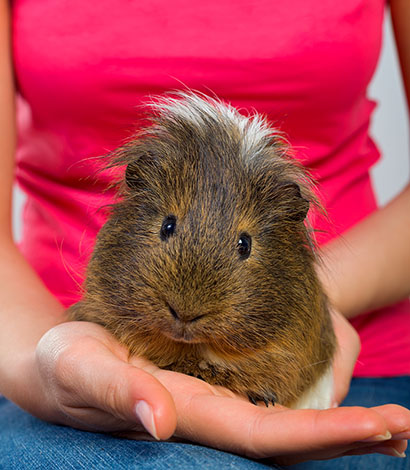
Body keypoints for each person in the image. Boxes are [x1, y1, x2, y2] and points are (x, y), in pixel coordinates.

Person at [1, 0, 410, 468]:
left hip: (370, 367)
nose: (188, 304)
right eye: (168, 227)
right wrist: (43, 364)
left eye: (243, 246)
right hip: (56, 350)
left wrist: (319, 308)